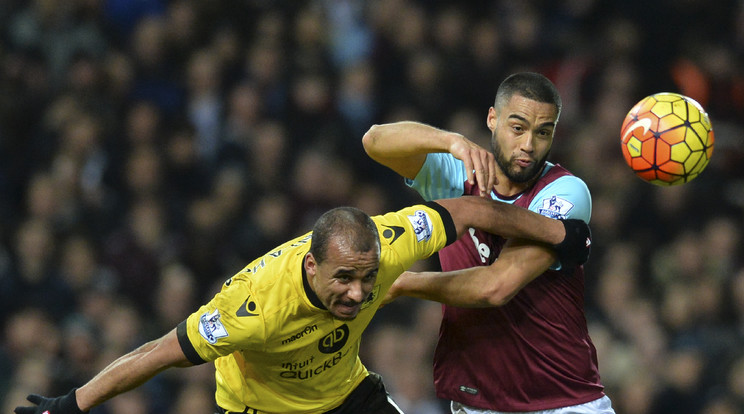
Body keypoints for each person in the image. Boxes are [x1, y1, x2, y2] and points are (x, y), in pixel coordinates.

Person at [14, 195, 591, 414]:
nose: (359, 294)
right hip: (264, 410)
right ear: (311, 267)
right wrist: (72, 404)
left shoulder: (388, 243)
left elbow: (465, 212)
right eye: (345, 280)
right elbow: (162, 352)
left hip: (345, 395)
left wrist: (557, 234)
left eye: (367, 281)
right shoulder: (253, 308)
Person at [362, 72, 615, 413]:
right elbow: (375, 140)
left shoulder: (564, 192)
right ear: (492, 120)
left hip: (561, 402)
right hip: (477, 402)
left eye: (543, 132)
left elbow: (495, 286)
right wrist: (449, 141)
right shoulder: (457, 172)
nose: (529, 145)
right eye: (517, 127)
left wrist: (407, 283)